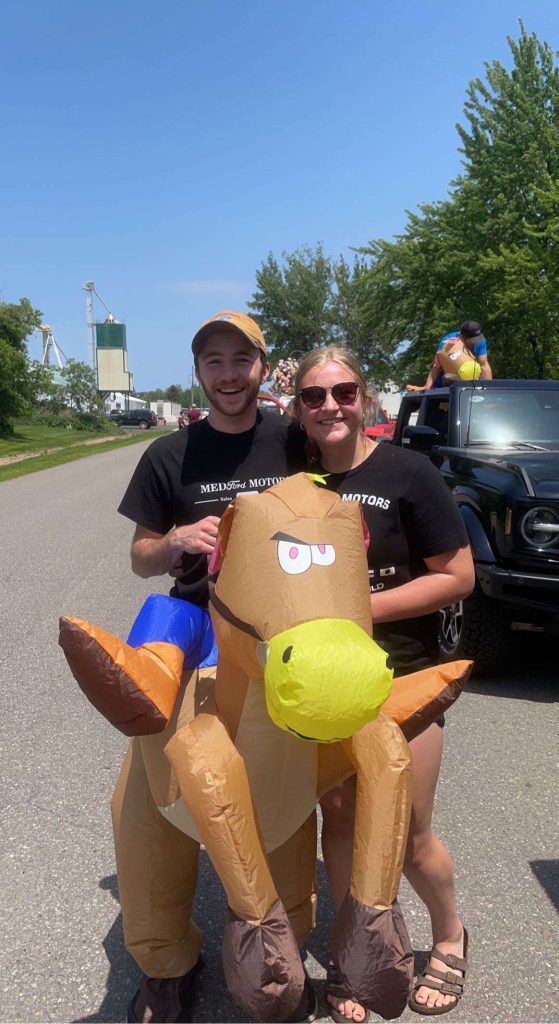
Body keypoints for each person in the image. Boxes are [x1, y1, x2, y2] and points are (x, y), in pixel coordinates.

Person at [114, 310, 304, 1023]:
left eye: (240, 360)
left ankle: (274, 937)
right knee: (152, 773)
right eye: (213, 362)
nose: (228, 374)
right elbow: (139, 557)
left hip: (265, 626)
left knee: (259, 772)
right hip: (192, 610)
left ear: (262, 365)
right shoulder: (169, 454)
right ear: (199, 373)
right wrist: (175, 544)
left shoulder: (293, 439)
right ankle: (165, 964)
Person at [293, 347, 475, 1021]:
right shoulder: (296, 482)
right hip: (320, 686)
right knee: (337, 822)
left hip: (404, 678)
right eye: (314, 396)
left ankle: (449, 934)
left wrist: (357, 607)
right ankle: (356, 951)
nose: (330, 406)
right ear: (299, 408)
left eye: (342, 391)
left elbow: (456, 576)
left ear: (364, 398)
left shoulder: (408, 471)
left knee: (405, 834)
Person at [408, 320, 493, 392]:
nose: (475, 342)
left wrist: (489, 389)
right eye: (472, 340)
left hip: (472, 377)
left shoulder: (480, 341)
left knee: (483, 379)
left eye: (477, 339)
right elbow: (437, 366)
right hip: (450, 375)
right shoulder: (448, 342)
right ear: (462, 337)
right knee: (447, 378)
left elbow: (484, 364)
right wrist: (427, 387)